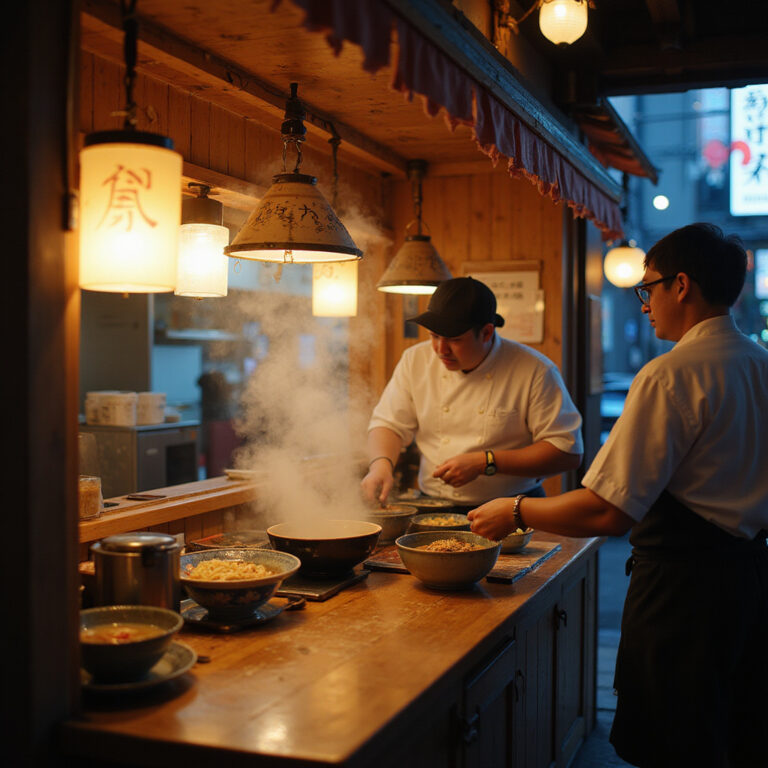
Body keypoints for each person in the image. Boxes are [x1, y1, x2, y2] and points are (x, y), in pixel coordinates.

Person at [468, 223, 768, 768]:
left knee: (674, 742)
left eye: (647, 287)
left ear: (681, 286)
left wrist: (515, 509)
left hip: (685, 597)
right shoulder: (759, 363)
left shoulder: (671, 374)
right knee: (734, 731)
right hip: (750, 582)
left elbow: (608, 510)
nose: (645, 304)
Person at [360, 276, 583, 509]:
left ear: (486, 333)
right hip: (433, 504)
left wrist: (485, 461)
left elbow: (567, 451)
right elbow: (389, 424)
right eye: (434, 336)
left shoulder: (534, 370)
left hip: (513, 507)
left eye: (454, 340)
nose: (440, 350)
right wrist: (381, 465)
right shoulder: (415, 359)